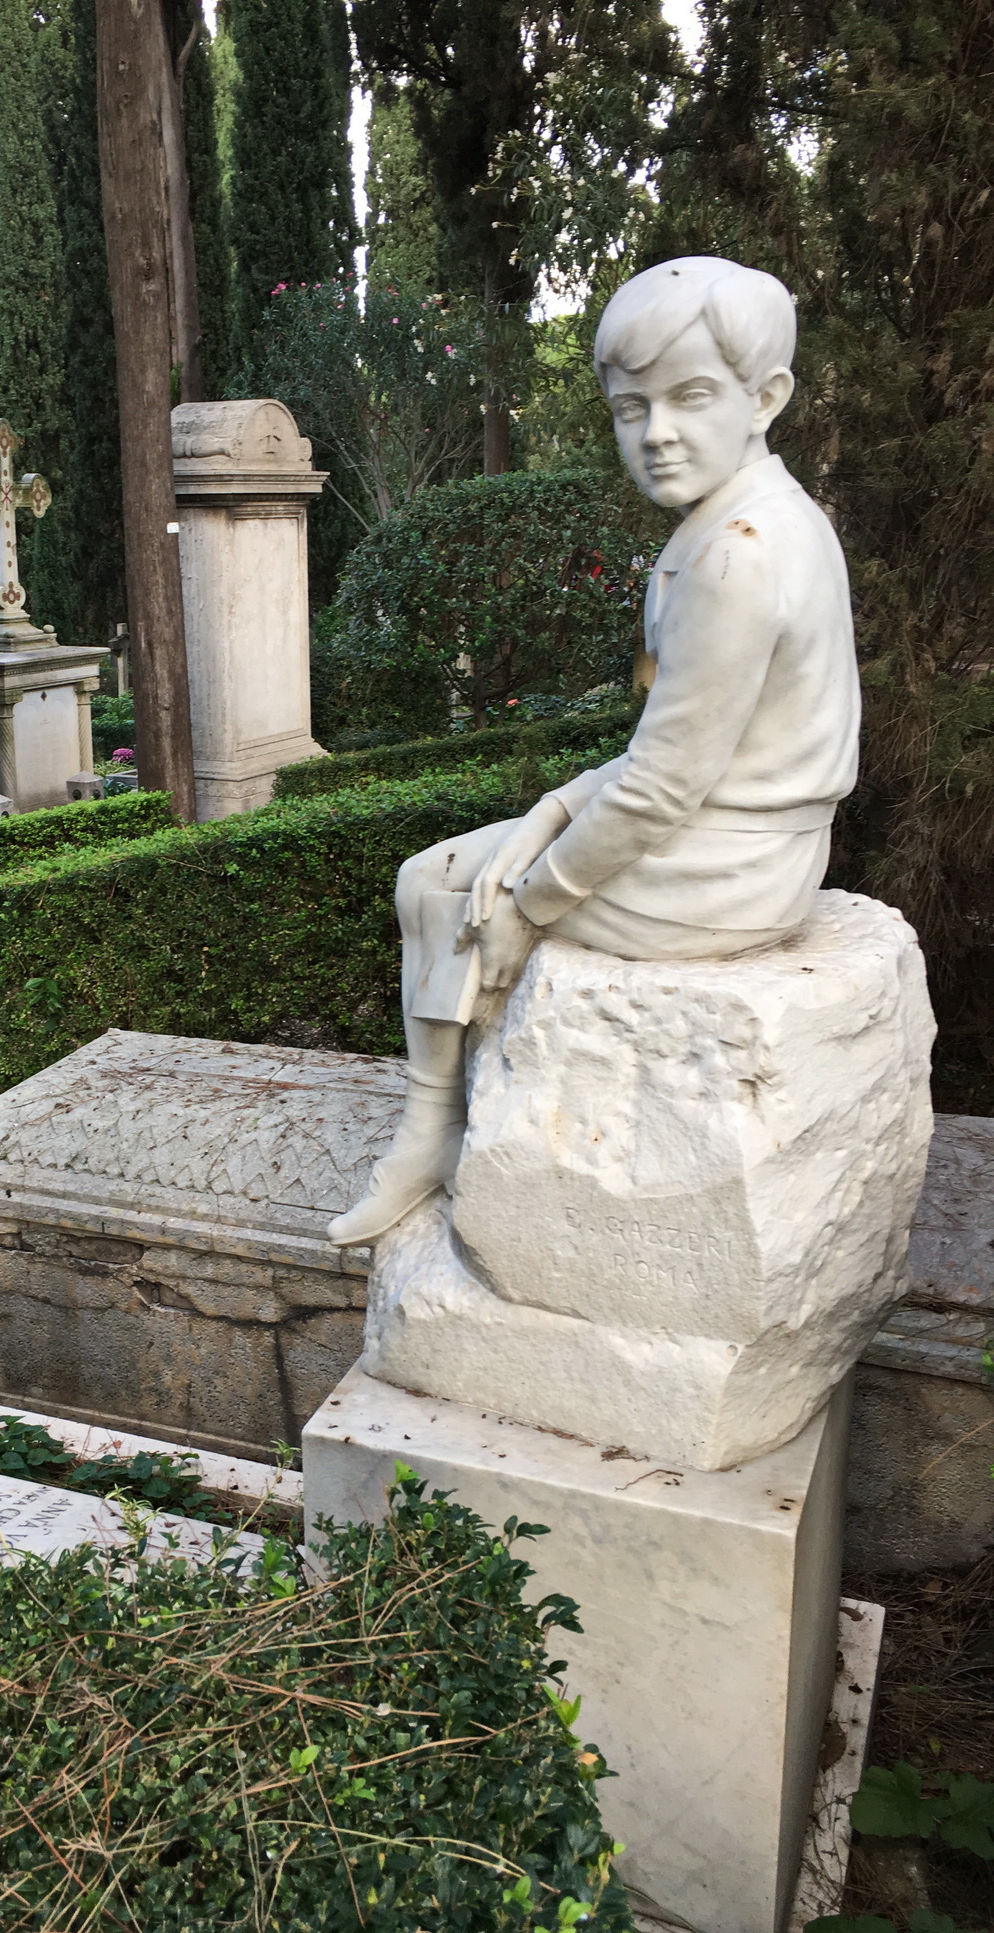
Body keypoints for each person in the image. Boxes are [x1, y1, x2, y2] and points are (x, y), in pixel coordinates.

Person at [327, 255, 861, 1248]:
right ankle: (435, 1123)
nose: (657, 433)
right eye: (630, 408)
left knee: (445, 891)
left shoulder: (732, 552)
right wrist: (555, 808)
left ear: (767, 397)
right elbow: (672, 756)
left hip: (729, 865)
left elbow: (663, 788)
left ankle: (430, 1132)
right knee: (435, 876)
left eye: (691, 397)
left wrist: (529, 907)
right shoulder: (760, 519)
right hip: (736, 836)